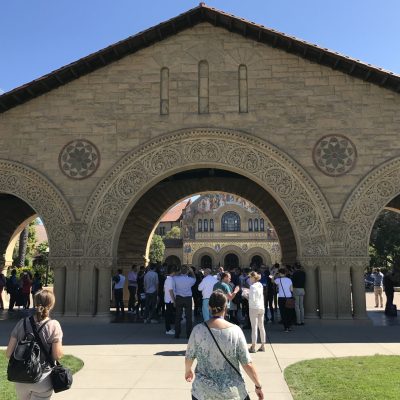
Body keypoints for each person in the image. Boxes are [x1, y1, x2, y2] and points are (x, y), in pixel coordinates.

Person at [185, 290, 264, 400]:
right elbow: (247, 363)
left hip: (203, 392)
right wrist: (258, 385)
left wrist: (188, 371)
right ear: (226, 307)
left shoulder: (197, 330)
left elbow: (189, 357)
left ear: (209, 307)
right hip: (232, 392)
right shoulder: (235, 331)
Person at [6, 289, 64, 400]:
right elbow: (57, 355)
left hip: (21, 377)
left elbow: (9, 353)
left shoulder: (21, 323)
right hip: (42, 378)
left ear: (35, 302)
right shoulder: (54, 325)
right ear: (51, 305)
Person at [173, 265, 196, 339]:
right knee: (188, 317)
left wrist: (179, 271)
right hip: (188, 298)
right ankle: (188, 334)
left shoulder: (176, 278)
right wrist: (191, 271)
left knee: (178, 317)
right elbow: (194, 278)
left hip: (179, 297)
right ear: (187, 271)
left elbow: (173, 276)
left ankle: (177, 334)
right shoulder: (190, 279)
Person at [248, 272, 266, 353]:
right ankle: (262, 345)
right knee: (261, 326)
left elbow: (252, 299)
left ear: (253, 278)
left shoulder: (252, 287)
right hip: (261, 307)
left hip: (254, 307)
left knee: (254, 327)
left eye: (250, 277)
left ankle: (253, 346)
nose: (249, 279)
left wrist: (246, 295)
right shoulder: (260, 285)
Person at [274, 268, 293, 332]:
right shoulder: (289, 280)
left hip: (281, 298)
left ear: (279, 273)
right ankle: (289, 326)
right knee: (289, 312)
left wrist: (273, 274)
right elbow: (291, 289)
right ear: (285, 273)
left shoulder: (278, 280)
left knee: (283, 313)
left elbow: (272, 281)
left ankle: (286, 327)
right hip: (289, 297)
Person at [164, 264, 176, 335]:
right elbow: (171, 291)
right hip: (169, 300)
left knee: (169, 315)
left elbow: (164, 289)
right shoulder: (170, 280)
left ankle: (168, 329)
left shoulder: (168, 279)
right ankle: (168, 329)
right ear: (173, 272)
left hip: (168, 299)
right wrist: (174, 301)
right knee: (168, 315)